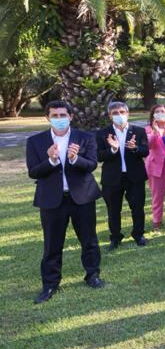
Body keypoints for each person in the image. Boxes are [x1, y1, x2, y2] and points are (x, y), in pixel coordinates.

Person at [27, 100, 105, 303]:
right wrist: (51, 160)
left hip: (82, 198)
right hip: (52, 201)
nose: (59, 119)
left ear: (71, 116)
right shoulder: (35, 141)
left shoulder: (85, 137)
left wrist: (74, 159)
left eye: (63, 115)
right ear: (48, 118)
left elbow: (92, 164)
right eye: (55, 115)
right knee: (52, 244)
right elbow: (33, 172)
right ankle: (50, 285)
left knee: (89, 240)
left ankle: (92, 275)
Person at [96, 101, 149, 249]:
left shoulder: (138, 131)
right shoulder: (103, 133)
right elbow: (98, 156)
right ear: (110, 116)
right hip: (112, 178)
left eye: (121, 112)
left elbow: (145, 151)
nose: (119, 115)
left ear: (127, 114)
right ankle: (115, 237)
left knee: (138, 207)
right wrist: (113, 150)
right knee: (113, 210)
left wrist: (135, 148)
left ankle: (138, 234)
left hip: (135, 176)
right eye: (115, 113)